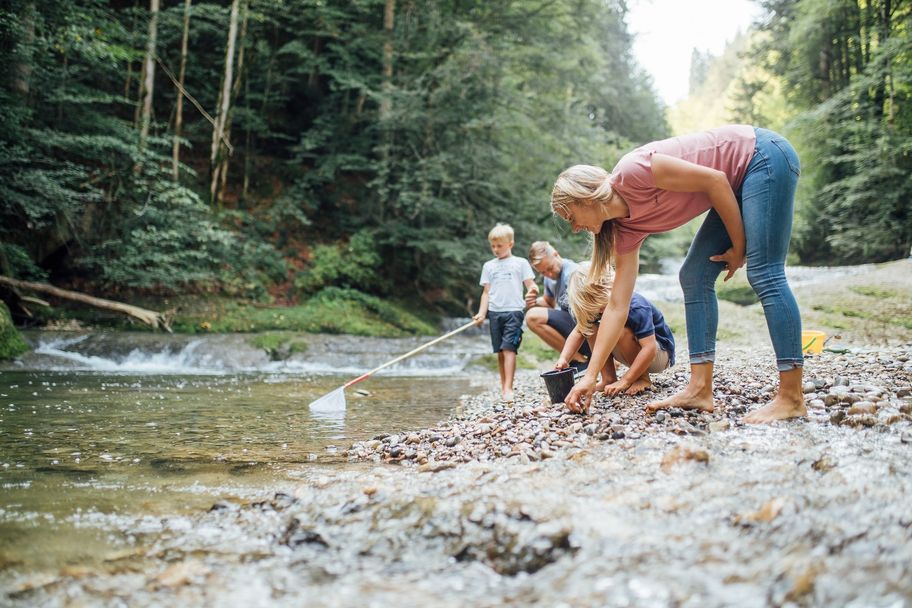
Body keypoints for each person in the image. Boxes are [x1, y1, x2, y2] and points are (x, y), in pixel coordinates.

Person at [550, 125, 806, 423]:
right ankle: (699, 389)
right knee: (694, 276)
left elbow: (715, 179)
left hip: (761, 156)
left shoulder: (632, 172)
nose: (575, 227)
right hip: (731, 186)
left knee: (764, 273)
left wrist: (739, 247)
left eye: (571, 217)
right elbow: (617, 306)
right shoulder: (625, 231)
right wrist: (589, 376)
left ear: (584, 197)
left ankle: (792, 397)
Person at [555, 261, 675, 395]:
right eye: (596, 308)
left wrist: (626, 380)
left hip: (659, 354)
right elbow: (578, 332)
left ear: (611, 288)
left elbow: (650, 348)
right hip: (636, 355)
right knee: (590, 328)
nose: (600, 311)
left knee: (621, 330)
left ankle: (643, 379)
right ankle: (608, 378)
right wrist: (564, 359)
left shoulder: (636, 306)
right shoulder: (599, 309)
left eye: (601, 306)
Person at [473, 223, 538, 402]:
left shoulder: (520, 263)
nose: (496, 249)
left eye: (499, 246)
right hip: (494, 313)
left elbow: (531, 284)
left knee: (509, 349)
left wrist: (533, 290)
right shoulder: (489, 266)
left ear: (510, 243)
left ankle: (509, 388)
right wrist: (481, 313)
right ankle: (504, 387)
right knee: (500, 352)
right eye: (493, 246)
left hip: (514, 312)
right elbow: (486, 292)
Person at [524, 241, 590, 367]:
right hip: (575, 326)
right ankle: (578, 359)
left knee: (532, 316)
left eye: (549, 268)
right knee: (533, 316)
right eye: (542, 272)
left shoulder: (571, 273)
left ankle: (578, 360)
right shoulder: (549, 278)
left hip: (587, 330)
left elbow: (593, 314)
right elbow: (549, 304)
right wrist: (533, 301)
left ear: (556, 255)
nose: (548, 274)